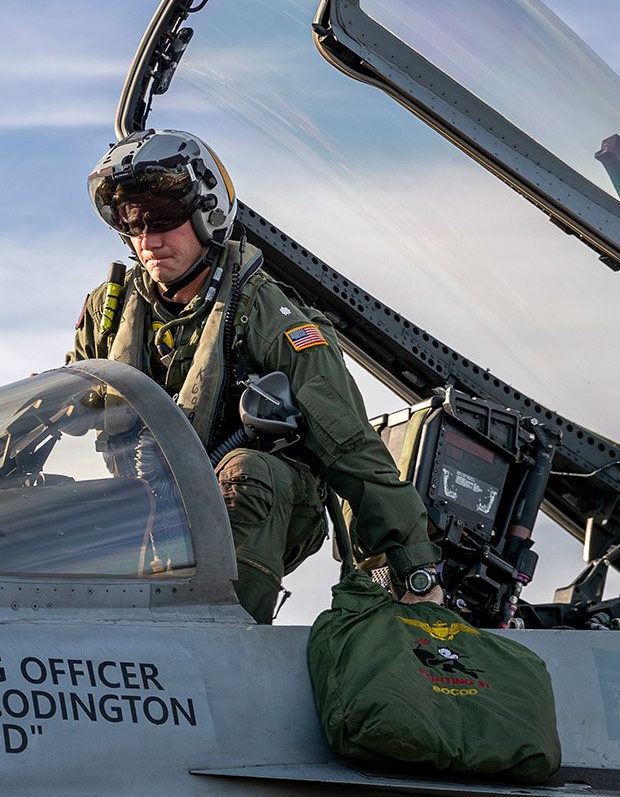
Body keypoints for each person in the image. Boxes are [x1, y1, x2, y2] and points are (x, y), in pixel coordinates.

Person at [68, 128, 444, 621]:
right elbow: (65, 405)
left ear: (207, 211)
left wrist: (412, 567)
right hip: (156, 503)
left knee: (247, 472)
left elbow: (348, 444)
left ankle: (224, 640)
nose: (148, 239)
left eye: (162, 217)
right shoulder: (110, 310)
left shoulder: (263, 310)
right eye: (132, 221)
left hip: (273, 502)